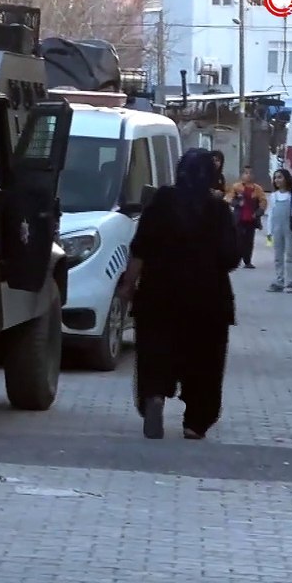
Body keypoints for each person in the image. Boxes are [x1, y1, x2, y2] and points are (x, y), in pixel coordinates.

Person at [116, 148, 240, 440]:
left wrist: (127, 286)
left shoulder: (160, 202)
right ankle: (195, 423)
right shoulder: (219, 209)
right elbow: (231, 257)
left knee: (155, 352)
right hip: (208, 300)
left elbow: (140, 248)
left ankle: (155, 395)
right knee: (205, 361)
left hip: (159, 294)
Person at [267, 167, 292, 293]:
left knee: (289, 256)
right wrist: (269, 232)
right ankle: (279, 280)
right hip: (277, 230)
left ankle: (290, 282)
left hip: (289, 229)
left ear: (286, 179)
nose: (277, 180)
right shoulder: (274, 196)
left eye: (280, 177)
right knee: (278, 256)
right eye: (275, 178)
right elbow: (271, 215)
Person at [224, 165, 268, 269]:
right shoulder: (236, 187)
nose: (248, 175)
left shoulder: (258, 189)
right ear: (242, 175)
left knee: (249, 241)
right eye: (246, 173)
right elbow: (228, 199)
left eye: (250, 173)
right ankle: (236, 259)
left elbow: (263, 202)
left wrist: (258, 212)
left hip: (251, 219)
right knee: (238, 240)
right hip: (239, 218)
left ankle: (247, 261)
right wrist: (238, 203)